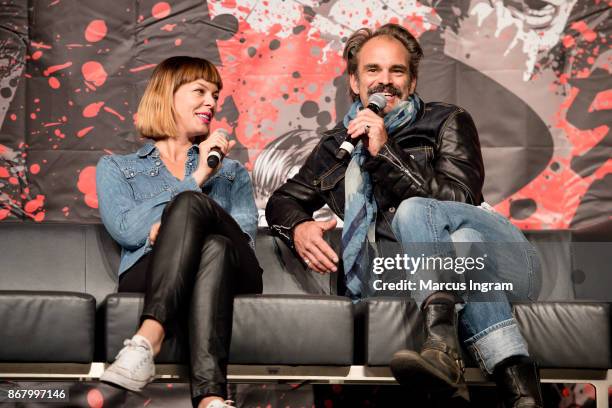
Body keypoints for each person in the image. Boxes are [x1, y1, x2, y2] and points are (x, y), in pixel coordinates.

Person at [266, 23, 543, 407]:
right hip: (437, 275)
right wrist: (298, 226)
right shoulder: (337, 147)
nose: (385, 82)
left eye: (397, 71)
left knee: (445, 228)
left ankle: (442, 347)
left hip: (504, 259)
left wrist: (386, 151)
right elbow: (282, 200)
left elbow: (460, 199)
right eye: (373, 71)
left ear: (412, 82)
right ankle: (519, 389)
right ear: (354, 81)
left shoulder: (447, 122)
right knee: (461, 248)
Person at [96, 56, 262, 408]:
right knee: (211, 244)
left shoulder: (232, 171)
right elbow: (128, 231)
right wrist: (198, 177)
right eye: (200, 91)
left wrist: (179, 221)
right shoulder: (118, 168)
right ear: (167, 95)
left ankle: (147, 340)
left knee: (198, 216)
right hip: (150, 271)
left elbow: (245, 241)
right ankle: (210, 399)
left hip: (238, 272)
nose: (212, 103)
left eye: (215, 94)